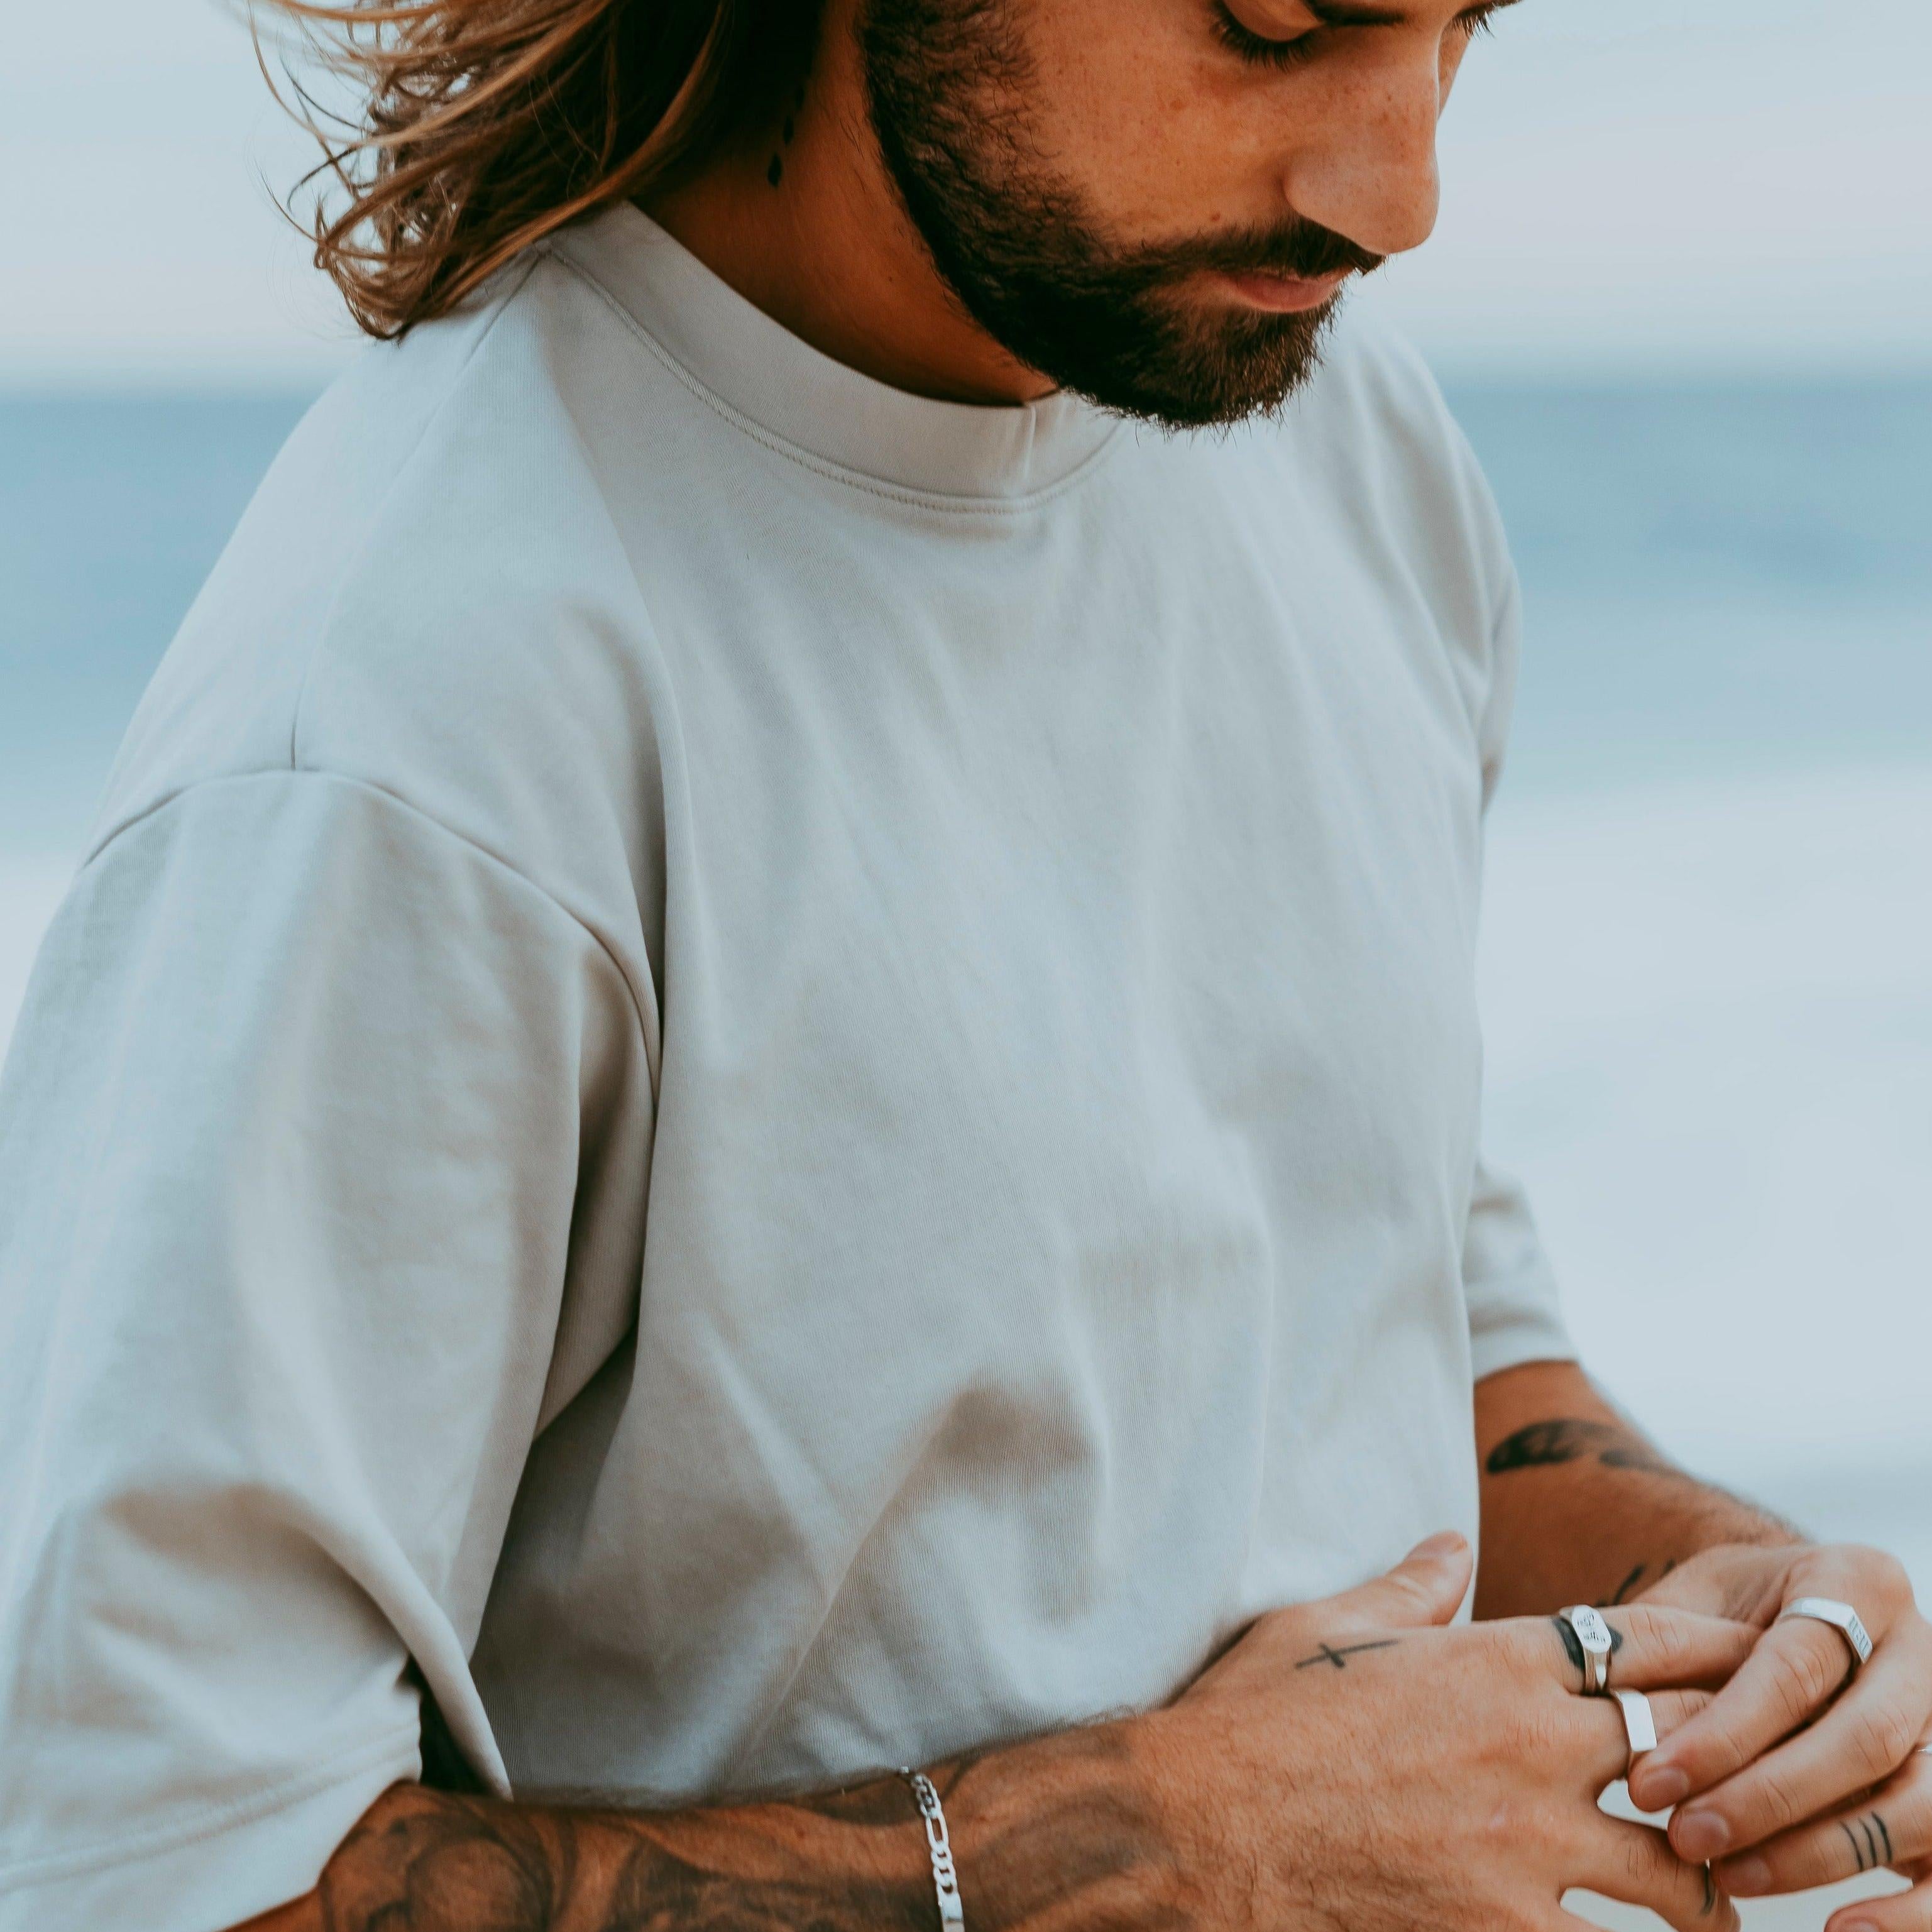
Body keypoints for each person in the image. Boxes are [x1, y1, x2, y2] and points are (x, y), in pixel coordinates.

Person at [0, 0, 1926, 1926]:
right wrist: (1174, 1846)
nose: (1397, 189)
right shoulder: (410, 727)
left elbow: (1413, 1334)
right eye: (1279, 22)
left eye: (1460, 25)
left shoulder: (1345, 447)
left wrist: (1750, 1635)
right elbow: (150, 1874)